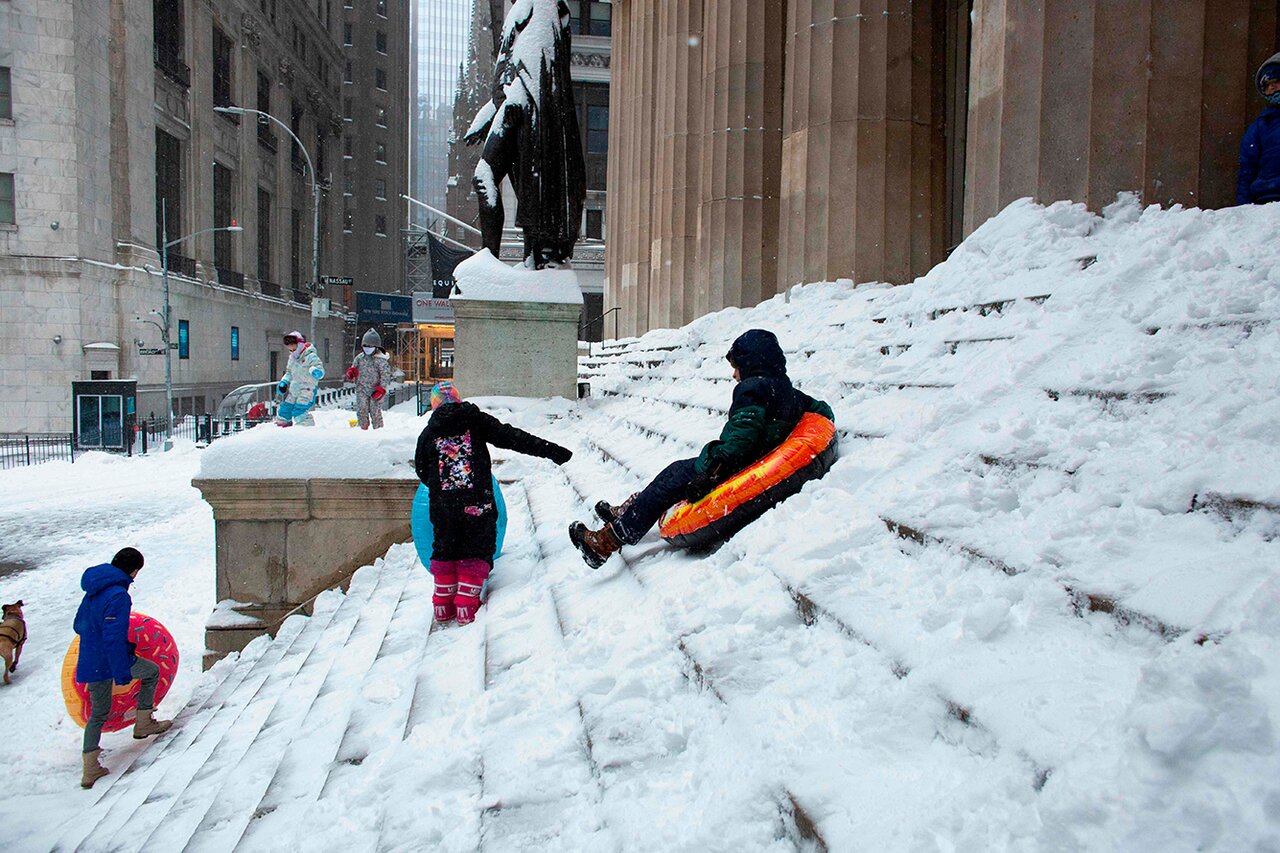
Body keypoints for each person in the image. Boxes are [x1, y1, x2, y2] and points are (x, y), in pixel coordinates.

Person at [570, 329, 835, 568]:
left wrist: (710, 474)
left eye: (737, 367)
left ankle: (604, 543)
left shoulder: (752, 389)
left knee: (666, 483)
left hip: (726, 465)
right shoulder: (787, 390)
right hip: (740, 460)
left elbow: (742, 438)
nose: (734, 374)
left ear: (752, 363)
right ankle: (626, 511)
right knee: (670, 477)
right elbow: (822, 410)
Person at [414, 381, 573, 625]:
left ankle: (442, 607)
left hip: (443, 504)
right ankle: (466, 606)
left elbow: (422, 468)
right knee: (476, 546)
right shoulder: (475, 419)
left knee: (445, 545)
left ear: (434, 405)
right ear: (458, 400)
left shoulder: (429, 431)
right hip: (477, 501)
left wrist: (440, 487)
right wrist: (552, 451)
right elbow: (513, 438)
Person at [74, 547, 173, 789]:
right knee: (151, 673)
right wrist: (121, 669)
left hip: (90, 659)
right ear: (134, 570)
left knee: (98, 713)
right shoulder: (119, 595)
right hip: (110, 660)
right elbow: (113, 637)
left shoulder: (94, 588)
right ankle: (143, 722)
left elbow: (79, 625)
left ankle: (89, 770)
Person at [1238, 52, 1280, 205]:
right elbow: (1247, 170)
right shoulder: (1260, 126)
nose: (1272, 87)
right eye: (1267, 85)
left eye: (1276, 80)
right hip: (1266, 199)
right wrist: (1243, 210)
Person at [275, 330, 325, 427]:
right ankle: (282, 431)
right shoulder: (292, 358)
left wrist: (316, 372)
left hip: (307, 389)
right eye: (290, 348)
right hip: (295, 389)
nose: (291, 350)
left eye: (293, 346)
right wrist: (284, 382)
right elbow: (289, 372)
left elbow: (320, 371)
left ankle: (305, 432)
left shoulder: (311, 357)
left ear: (300, 344)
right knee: (285, 411)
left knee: (299, 411)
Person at [345, 328, 392, 430]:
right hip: (361, 388)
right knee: (362, 410)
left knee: (375, 412)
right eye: (365, 346)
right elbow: (353, 369)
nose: (367, 348)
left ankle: (378, 430)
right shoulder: (360, 358)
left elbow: (385, 375)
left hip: (376, 390)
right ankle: (363, 429)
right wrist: (351, 373)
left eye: (370, 346)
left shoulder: (381, 360)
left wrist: (381, 388)